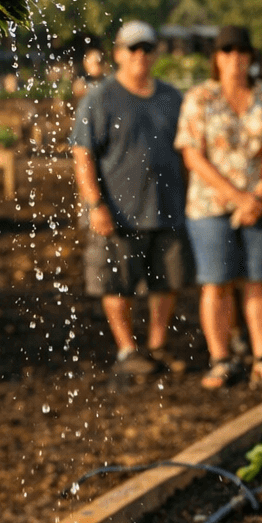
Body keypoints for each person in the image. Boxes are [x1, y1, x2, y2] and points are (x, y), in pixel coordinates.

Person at [70, 20, 192, 380]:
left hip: (167, 206)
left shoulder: (172, 98)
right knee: (117, 283)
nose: (140, 55)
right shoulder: (100, 98)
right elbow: (83, 155)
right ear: (118, 54)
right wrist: (95, 205)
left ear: (156, 54)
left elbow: (188, 150)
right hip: (118, 211)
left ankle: (156, 348)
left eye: (147, 49)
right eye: (132, 49)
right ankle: (127, 350)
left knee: (166, 283)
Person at [175, 25, 262, 390]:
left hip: (260, 203)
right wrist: (238, 197)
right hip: (210, 205)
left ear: (250, 57)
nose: (234, 59)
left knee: (258, 281)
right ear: (216, 59)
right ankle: (220, 358)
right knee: (216, 283)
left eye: (241, 52)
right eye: (226, 52)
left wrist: (260, 196)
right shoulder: (200, 97)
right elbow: (193, 155)